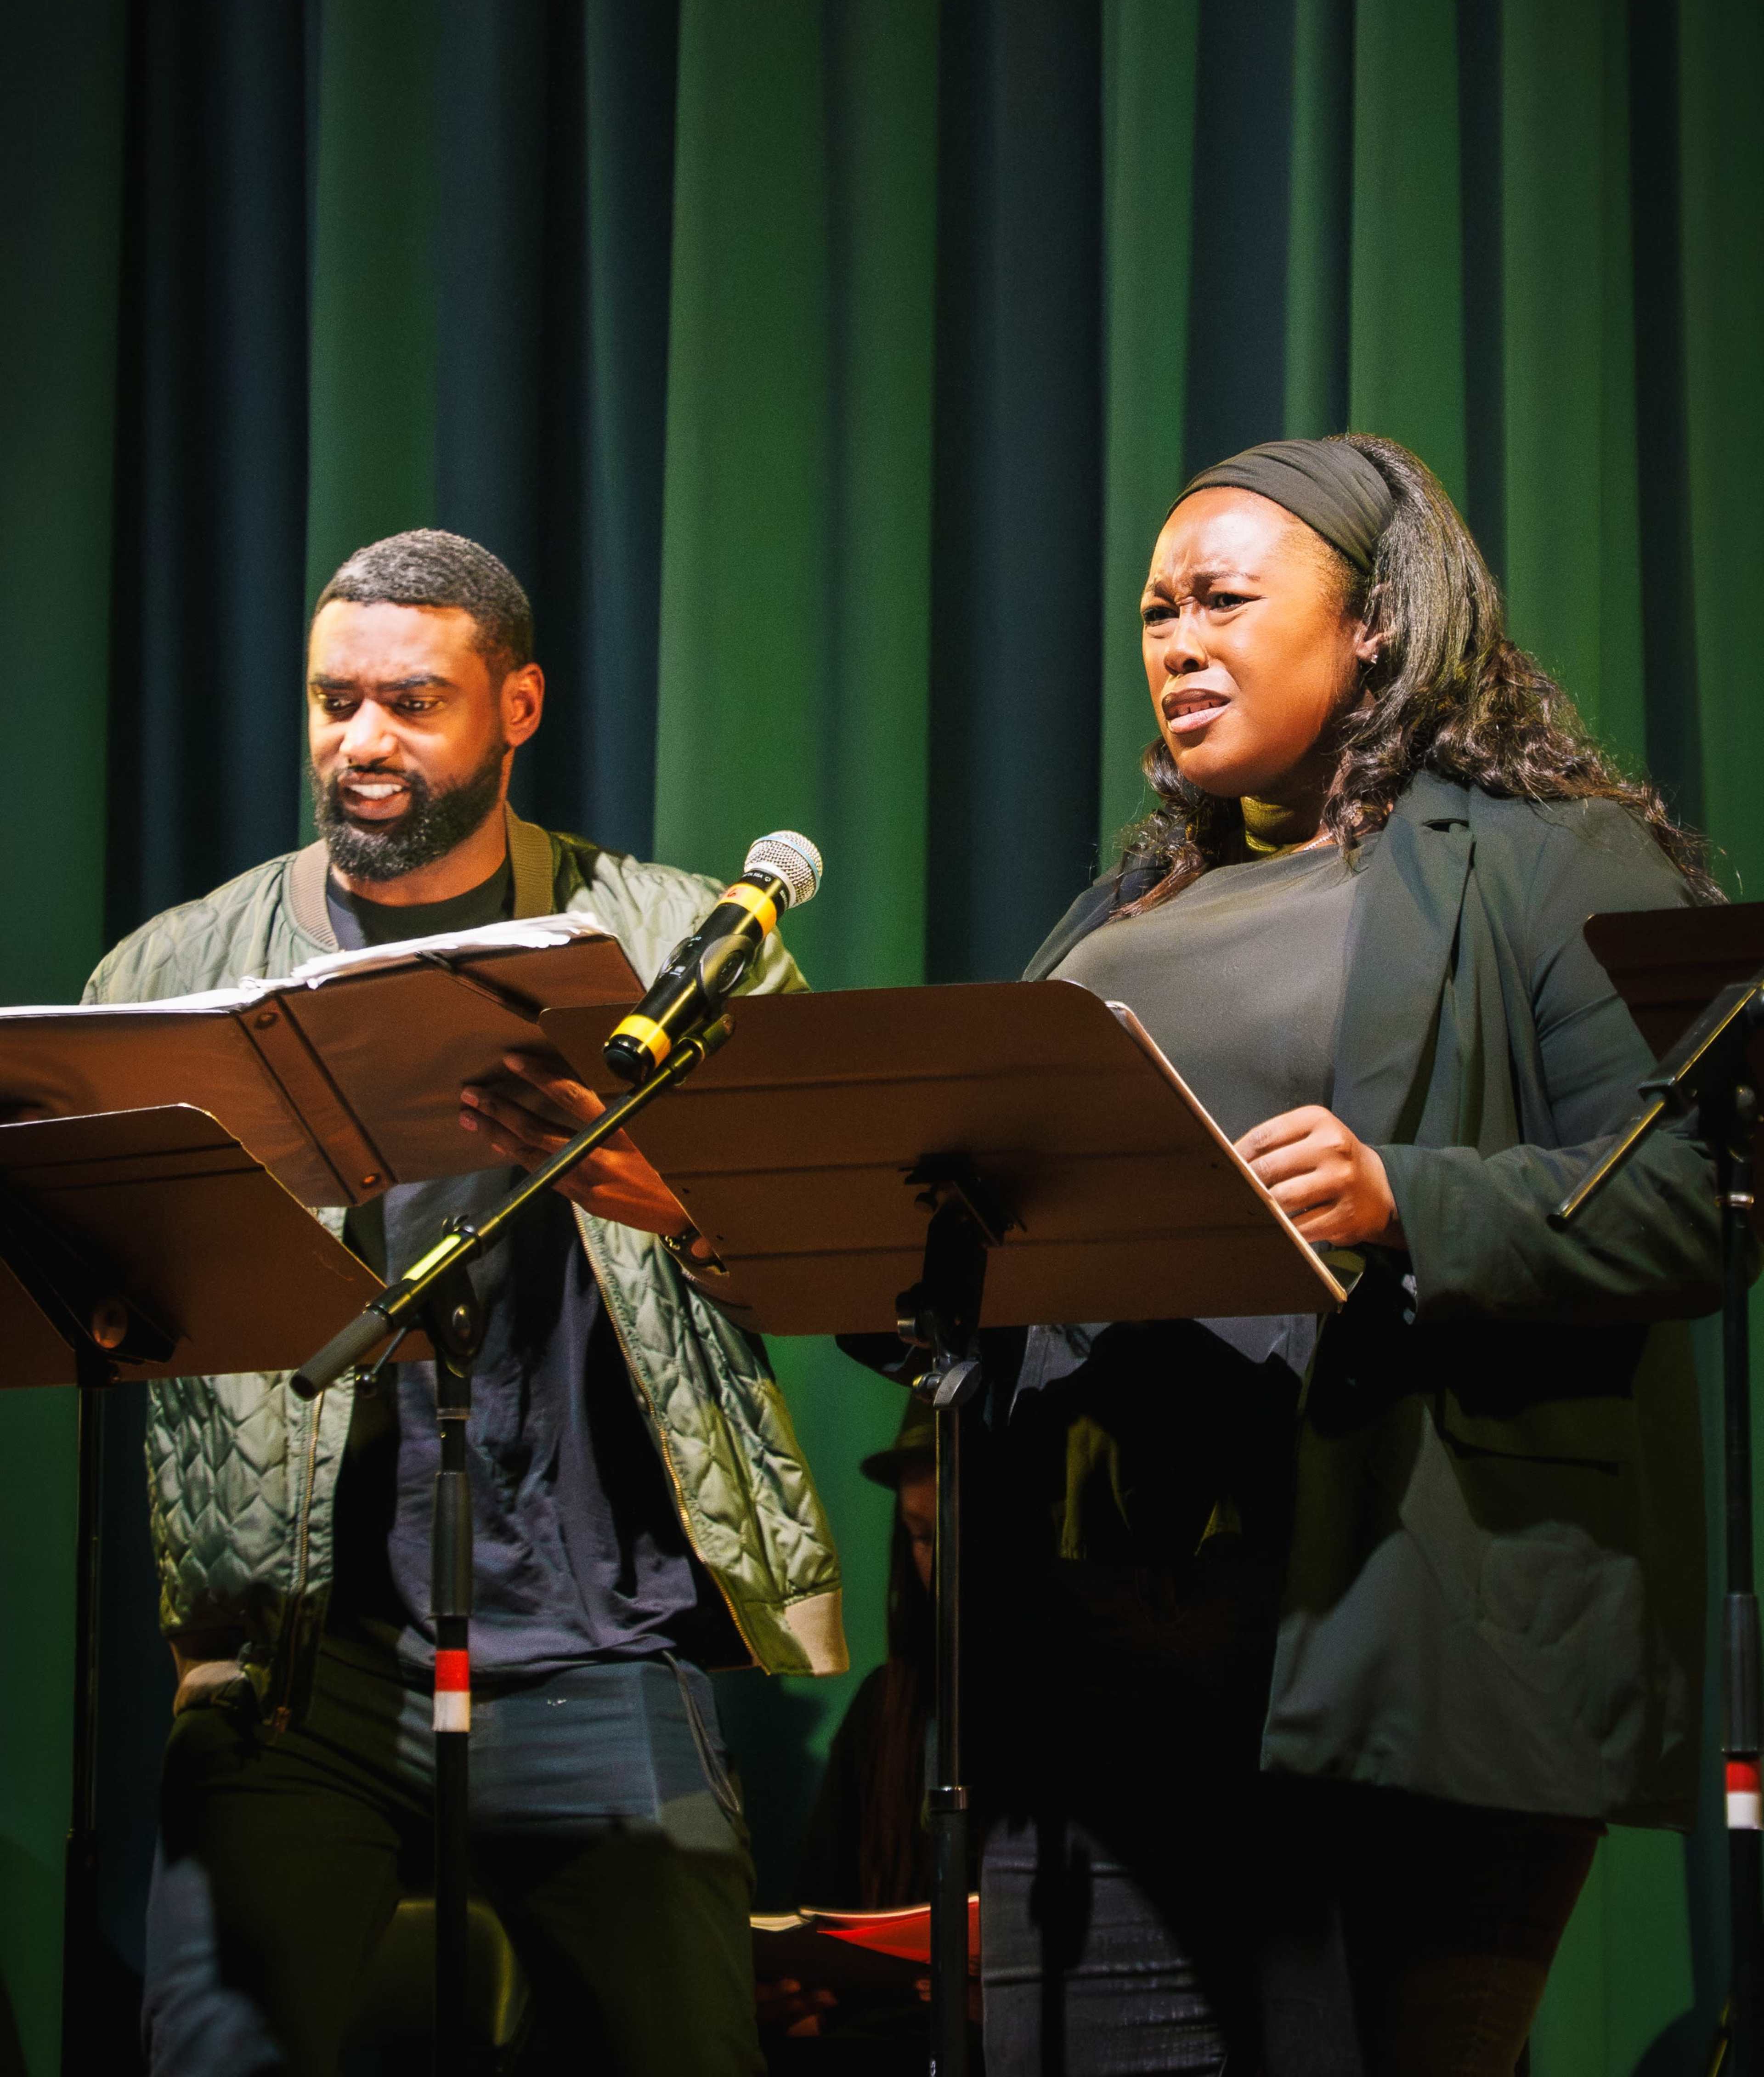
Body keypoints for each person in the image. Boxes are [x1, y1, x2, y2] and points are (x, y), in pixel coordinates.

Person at [996, 434, 1724, 2077]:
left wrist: (1403, 1193)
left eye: (1224, 602)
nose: (1178, 643)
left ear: (1375, 620)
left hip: (1396, 1630)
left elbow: (1693, 1195)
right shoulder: (1126, 906)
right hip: (1108, 1662)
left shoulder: (1544, 858)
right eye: (1156, 611)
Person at [88, 529, 846, 2077]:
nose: (361, 744)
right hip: (302, 1666)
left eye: (412, 703)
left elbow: (850, 1250)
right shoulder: (172, 971)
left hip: (601, 1642)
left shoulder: (690, 950)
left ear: (518, 708)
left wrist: (673, 1198)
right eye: (335, 702)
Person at [797, 1397, 937, 1914]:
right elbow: (824, 1900)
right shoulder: (884, 1707)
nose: (944, 1564)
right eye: (923, 1537)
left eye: (966, 1530)